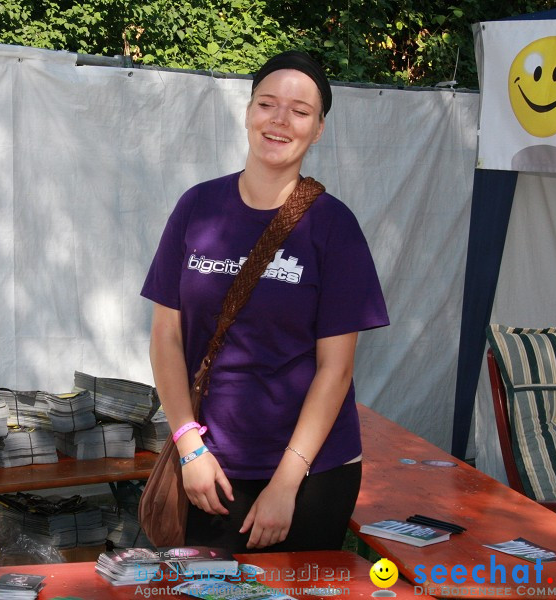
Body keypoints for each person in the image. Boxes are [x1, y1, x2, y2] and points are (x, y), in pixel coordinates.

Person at [140, 50, 390, 553]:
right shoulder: (198, 207)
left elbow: (335, 371)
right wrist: (190, 447)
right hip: (209, 469)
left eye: (300, 111)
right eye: (267, 104)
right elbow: (166, 336)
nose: (279, 120)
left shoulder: (333, 228)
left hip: (310, 475)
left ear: (318, 129)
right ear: (248, 112)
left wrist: (285, 485)